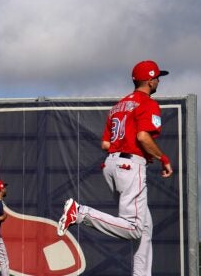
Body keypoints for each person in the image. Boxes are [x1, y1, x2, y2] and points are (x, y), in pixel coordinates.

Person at [57, 60, 173, 275]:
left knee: (145, 228)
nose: (158, 80)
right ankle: (81, 213)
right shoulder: (147, 103)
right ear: (149, 80)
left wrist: (135, 149)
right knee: (136, 228)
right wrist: (162, 157)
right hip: (130, 165)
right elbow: (142, 136)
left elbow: (105, 144)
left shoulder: (118, 106)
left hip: (112, 164)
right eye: (156, 77)